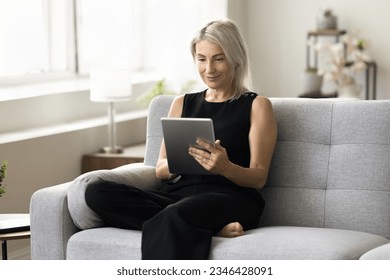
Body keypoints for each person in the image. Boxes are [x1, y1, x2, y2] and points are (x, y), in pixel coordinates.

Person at [85, 19, 277, 260]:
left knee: (177, 213)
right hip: (178, 196)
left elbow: (259, 177)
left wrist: (225, 167)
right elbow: (160, 169)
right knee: (96, 192)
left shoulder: (257, 105)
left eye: (219, 58)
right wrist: (180, 163)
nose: (209, 69)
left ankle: (191, 224)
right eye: (202, 59)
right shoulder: (181, 103)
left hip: (230, 198)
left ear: (235, 59)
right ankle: (210, 227)